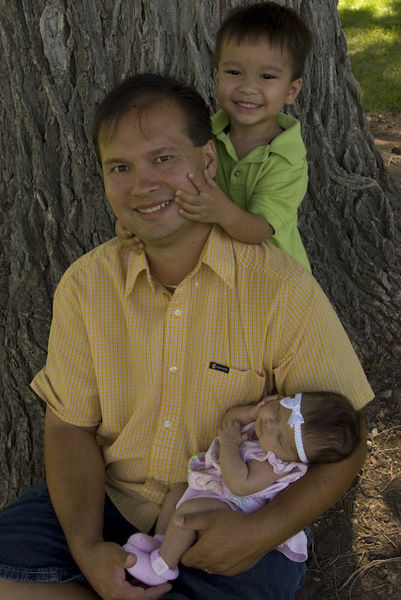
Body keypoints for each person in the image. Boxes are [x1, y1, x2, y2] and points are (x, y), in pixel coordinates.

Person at [0, 73, 374, 600]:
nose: (142, 185)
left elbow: (349, 433)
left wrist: (261, 533)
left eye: (163, 158)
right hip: (109, 499)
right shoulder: (86, 285)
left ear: (208, 161)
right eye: (120, 167)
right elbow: (68, 426)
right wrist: (85, 545)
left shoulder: (279, 288)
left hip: (236, 513)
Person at [116, 2, 313, 270]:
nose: (248, 88)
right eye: (234, 73)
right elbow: (174, 187)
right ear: (217, 77)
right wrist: (135, 221)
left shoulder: (287, 161)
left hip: (271, 275)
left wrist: (222, 211)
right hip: (216, 268)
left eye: (267, 76)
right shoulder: (200, 135)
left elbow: (260, 230)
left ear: (291, 90)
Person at [122, 391, 361, 586]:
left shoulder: (273, 465)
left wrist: (230, 443)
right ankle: (161, 542)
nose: (269, 425)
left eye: (279, 438)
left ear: (292, 457)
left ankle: (162, 567)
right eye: (278, 413)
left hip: (234, 506)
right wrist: (251, 412)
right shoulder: (262, 427)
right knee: (177, 492)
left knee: (189, 512)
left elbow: (239, 484)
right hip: (218, 490)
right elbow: (230, 421)